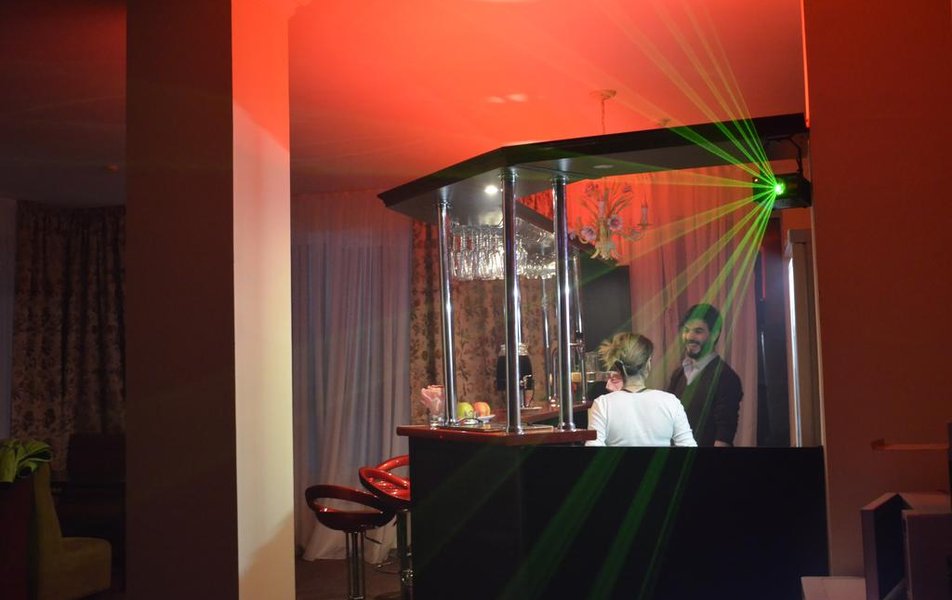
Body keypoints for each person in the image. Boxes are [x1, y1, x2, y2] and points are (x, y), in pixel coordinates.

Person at [585, 332, 696, 447]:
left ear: (618, 367)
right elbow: (689, 448)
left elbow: (593, 450)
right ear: (648, 364)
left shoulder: (602, 404)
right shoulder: (670, 402)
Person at [667, 303, 742, 447]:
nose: (689, 336)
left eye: (698, 331)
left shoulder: (726, 377)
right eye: (686, 330)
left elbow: (724, 435)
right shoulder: (678, 374)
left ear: (714, 334)